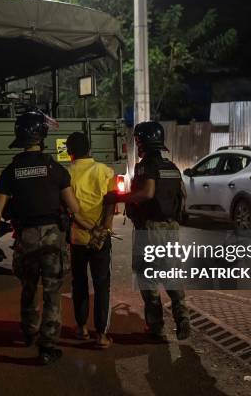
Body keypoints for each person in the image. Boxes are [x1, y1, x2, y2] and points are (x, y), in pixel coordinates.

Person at [0, 111, 81, 365]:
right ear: (43, 136)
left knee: (29, 288)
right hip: (53, 238)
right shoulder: (55, 169)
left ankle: (29, 331)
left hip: (25, 238)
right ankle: (47, 346)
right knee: (52, 291)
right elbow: (74, 207)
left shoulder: (11, 171)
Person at [105, 121, 189, 342]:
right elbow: (182, 198)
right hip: (171, 228)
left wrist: (119, 198)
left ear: (141, 141)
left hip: (150, 228)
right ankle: (182, 316)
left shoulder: (146, 166)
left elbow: (147, 193)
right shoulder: (172, 167)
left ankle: (156, 327)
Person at [65, 131, 116, 348]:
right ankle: (101, 335)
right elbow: (111, 202)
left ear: (70, 152)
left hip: (77, 238)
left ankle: (81, 328)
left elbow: (67, 209)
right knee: (102, 284)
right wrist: (104, 228)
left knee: (79, 283)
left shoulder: (66, 173)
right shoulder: (104, 171)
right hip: (101, 238)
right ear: (89, 150)